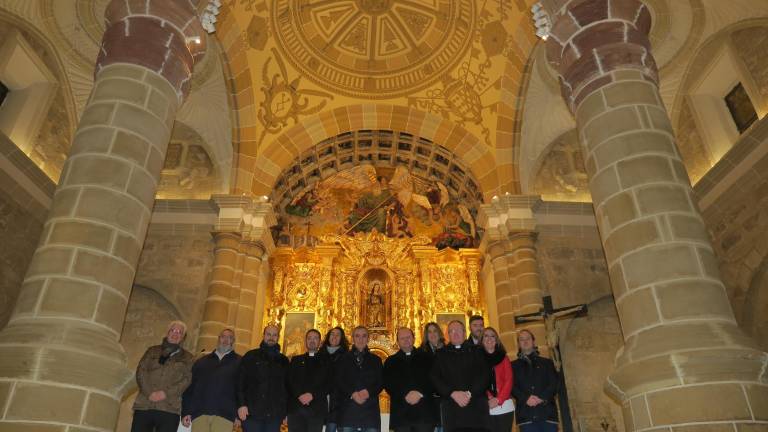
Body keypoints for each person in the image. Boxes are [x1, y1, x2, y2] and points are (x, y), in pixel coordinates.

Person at [132, 320, 194, 432]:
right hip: (145, 403)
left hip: (169, 407)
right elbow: (141, 371)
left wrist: (165, 393)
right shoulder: (152, 351)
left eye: (180, 332)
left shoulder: (188, 358)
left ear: (183, 337)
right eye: (173, 330)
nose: (175, 334)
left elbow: (187, 379)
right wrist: (149, 392)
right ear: (167, 332)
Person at [430, 320, 490, 432]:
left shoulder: (478, 351)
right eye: (452, 331)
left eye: (458, 330)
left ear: (464, 332)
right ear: (448, 335)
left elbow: (485, 375)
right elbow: (435, 378)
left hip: (476, 409)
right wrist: (452, 393)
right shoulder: (441, 354)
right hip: (452, 411)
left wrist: (469, 393)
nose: (455, 333)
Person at [181, 328, 242, 432]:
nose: (226, 340)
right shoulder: (202, 361)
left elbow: (241, 390)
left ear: (233, 341)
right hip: (200, 413)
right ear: (218, 339)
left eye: (230, 337)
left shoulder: (240, 362)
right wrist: (186, 412)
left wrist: (238, 415)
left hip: (225, 415)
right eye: (223, 337)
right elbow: (191, 388)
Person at [384, 327, 438, 432]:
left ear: (413, 338)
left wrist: (420, 393)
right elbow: (388, 384)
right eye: (402, 338)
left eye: (408, 337)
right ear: (398, 341)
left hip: (424, 414)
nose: (406, 340)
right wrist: (405, 394)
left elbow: (434, 380)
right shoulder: (391, 361)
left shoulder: (427, 358)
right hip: (401, 416)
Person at [237, 324, 289, 432]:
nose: (271, 337)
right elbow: (240, 382)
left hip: (275, 415)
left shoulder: (284, 360)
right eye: (268, 334)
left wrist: (286, 412)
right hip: (251, 412)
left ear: (278, 337)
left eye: (274, 335)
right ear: (263, 336)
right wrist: (241, 405)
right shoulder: (250, 356)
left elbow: (287, 388)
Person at [336, 326, 383, 432]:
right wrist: (352, 393)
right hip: (348, 412)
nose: (360, 339)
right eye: (357, 336)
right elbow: (339, 380)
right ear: (353, 338)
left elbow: (380, 382)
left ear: (368, 339)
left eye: (364, 336)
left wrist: (368, 392)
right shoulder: (342, 359)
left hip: (370, 413)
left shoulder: (376, 360)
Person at [511, 330, 559, 432]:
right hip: (526, 415)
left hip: (547, 414)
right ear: (518, 344)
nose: (525, 341)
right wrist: (525, 399)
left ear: (533, 341)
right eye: (521, 339)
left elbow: (554, 384)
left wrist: (541, 398)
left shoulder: (547, 363)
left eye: (528, 338)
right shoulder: (512, 366)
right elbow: (512, 387)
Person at [288, 329, 330, 432]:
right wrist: (299, 395)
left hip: (316, 411)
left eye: (315, 338)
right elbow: (289, 382)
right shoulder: (296, 360)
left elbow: (329, 384)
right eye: (309, 338)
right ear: (305, 341)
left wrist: (312, 395)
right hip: (296, 409)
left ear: (320, 341)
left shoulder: (327, 361)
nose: (312, 340)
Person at [481, 327, 514, 432]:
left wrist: (498, 399)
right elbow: (478, 381)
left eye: (492, 336)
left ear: (496, 340)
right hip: (485, 405)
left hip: (504, 405)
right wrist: (489, 397)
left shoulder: (504, 358)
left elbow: (509, 380)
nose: (489, 338)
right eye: (486, 336)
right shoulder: (477, 359)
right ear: (482, 340)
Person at [320, 326, 350, 432]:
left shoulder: (347, 356)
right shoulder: (320, 355)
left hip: (341, 401)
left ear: (341, 339)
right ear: (328, 337)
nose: (334, 337)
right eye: (332, 334)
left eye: (338, 335)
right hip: (322, 399)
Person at [418, 322, 445, 432]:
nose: (432, 334)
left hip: (445, 398)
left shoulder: (448, 350)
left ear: (439, 333)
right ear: (426, 335)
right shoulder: (420, 352)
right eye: (429, 332)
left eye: (435, 331)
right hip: (428, 399)